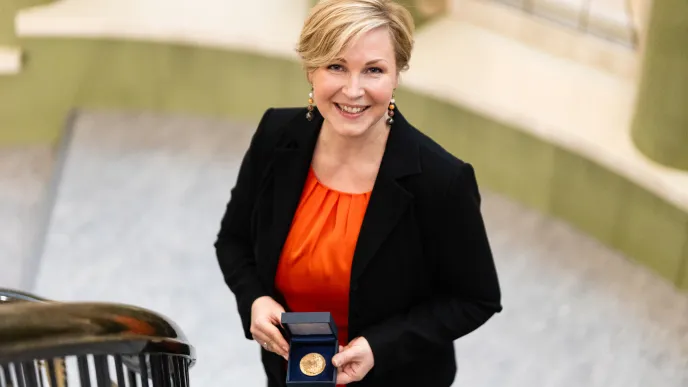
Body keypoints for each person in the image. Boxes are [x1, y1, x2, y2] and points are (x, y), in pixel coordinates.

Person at [214, 0, 502, 386]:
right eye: (336, 66)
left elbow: (476, 298)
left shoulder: (442, 180)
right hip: (289, 373)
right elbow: (233, 241)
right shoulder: (275, 134)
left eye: (374, 70)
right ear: (311, 69)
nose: (353, 90)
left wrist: (379, 347)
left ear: (397, 74)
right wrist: (254, 300)